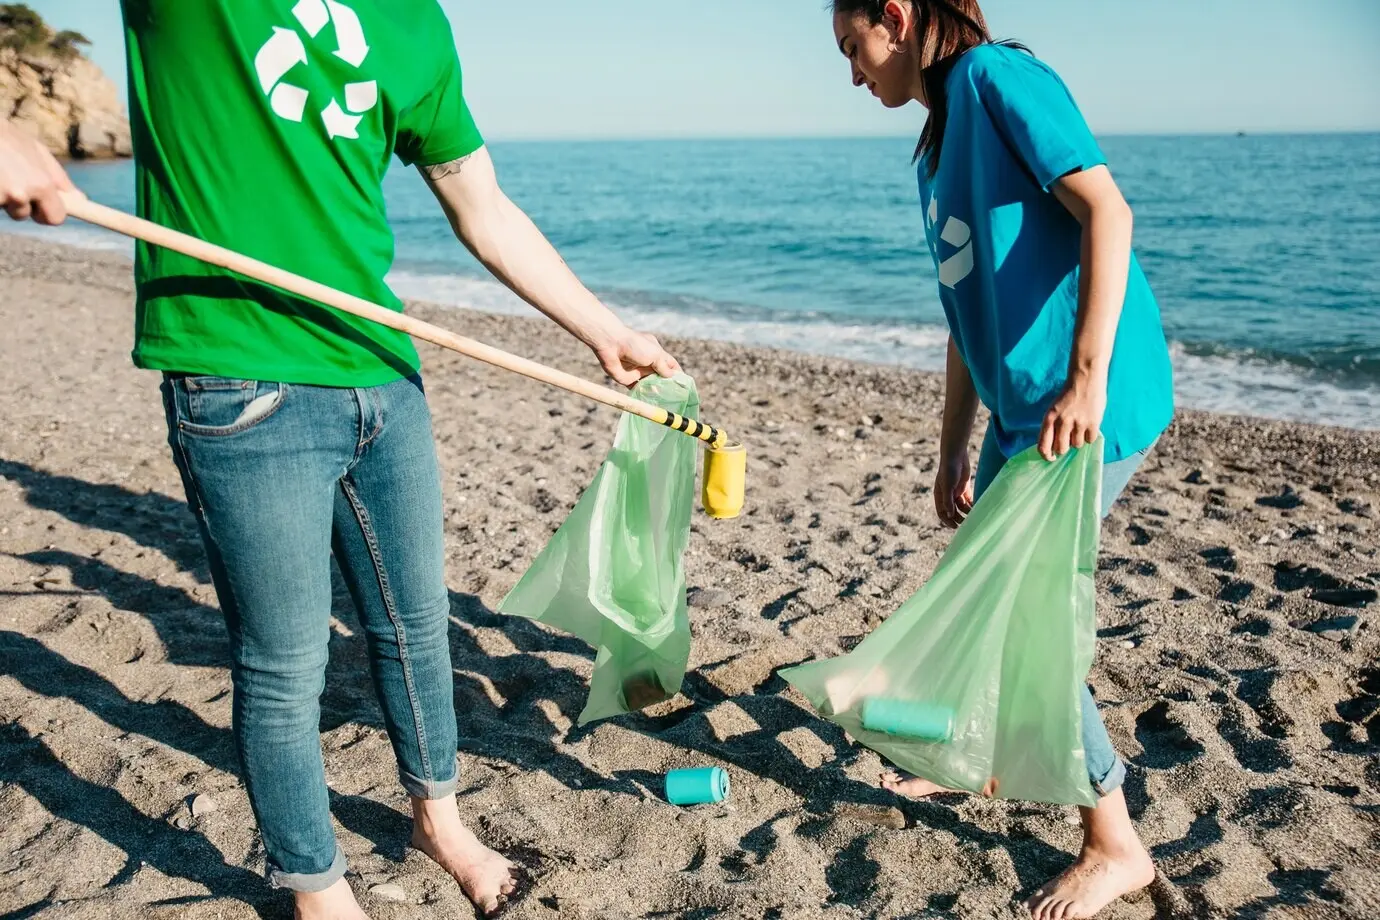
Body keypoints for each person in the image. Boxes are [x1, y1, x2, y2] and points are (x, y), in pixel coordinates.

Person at [2, 1, 680, 916]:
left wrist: (606, 331)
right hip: (241, 379)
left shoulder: (417, 26)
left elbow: (482, 206)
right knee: (284, 663)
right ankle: (318, 889)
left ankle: (437, 818)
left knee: (415, 625)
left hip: (384, 376)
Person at [831, 1, 1173, 917]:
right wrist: (954, 444)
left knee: (1026, 621)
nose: (852, 74)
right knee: (986, 599)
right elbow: (964, 312)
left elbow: (1108, 208)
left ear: (896, 18)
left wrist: (1087, 380)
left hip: (1092, 406)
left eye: (853, 47)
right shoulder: (936, 146)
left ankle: (1116, 844)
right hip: (1022, 415)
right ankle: (977, 759)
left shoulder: (996, 80)